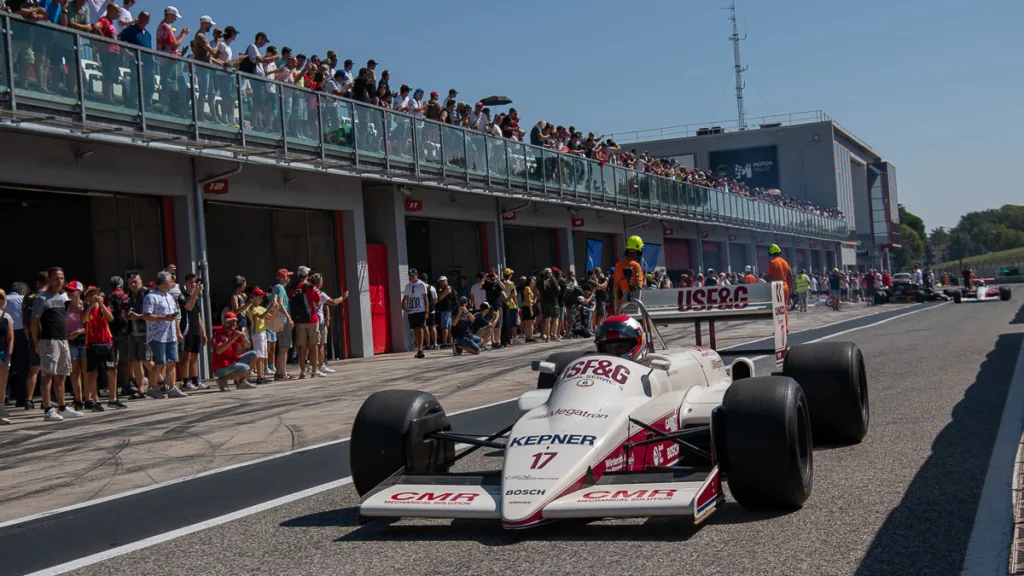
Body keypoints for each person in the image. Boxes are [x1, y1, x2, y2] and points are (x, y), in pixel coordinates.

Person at [32, 267, 83, 421]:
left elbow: (74, 311)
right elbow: (34, 322)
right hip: (48, 340)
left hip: (62, 339)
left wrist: (76, 297)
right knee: (48, 374)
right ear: (49, 279)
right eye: (56, 278)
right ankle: (48, 409)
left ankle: (62, 406)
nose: (59, 281)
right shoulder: (41, 298)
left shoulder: (63, 297)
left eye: (61, 278)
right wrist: (35, 341)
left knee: (62, 374)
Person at [141, 271, 185, 398]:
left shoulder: (170, 297)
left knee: (172, 361)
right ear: (164, 283)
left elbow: (175, 315)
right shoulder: (151, 296)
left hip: (171, 334)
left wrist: (178, 331)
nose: (171, 283)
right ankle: (153, 387)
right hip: (157, 335)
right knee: (160, 362)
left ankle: (172, 388)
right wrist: (163, 318)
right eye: (170, 281)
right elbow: (146, 315)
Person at [83, 286, 126, 410]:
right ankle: (96, 401)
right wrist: (91, 306)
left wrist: (101, 304)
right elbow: (83, 320)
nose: (93, 297)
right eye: (90, 295)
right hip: (92, 346)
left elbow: (111, 318)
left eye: (95, 294)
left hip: (106, 344)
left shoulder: (104, 308)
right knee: (92, 374)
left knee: (112, 371)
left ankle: (113, 398)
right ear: (86, 298)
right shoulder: (86, 310)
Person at [210, 312, 257, 391]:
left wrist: (244, 338)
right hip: (221, 366)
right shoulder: (218, 335)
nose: (232, 324)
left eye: (234, 321)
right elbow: (218, 351)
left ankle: (242, 382)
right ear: (224, 322)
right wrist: (232, 339)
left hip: (233, 361)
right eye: (229, 321)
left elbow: (248, 346)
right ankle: (222, 379)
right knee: (246, 368)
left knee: (254, 355)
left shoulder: (235, 333)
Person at [246, 287, 275, 384]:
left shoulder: (261, 308)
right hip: (257, 333)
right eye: (259, 297)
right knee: (259, 356)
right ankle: (259, 376)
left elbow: (270, 317)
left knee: (263, 356)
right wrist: (269, 309)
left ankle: (262, 375)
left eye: (262, 297)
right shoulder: (252, 308)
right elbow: (261, 316)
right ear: (254, 297)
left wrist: (274, 308)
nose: (261, 299)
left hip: (262, 332)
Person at [271, 269, 294, 381]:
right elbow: (280, 303)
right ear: (281, 277)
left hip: (280, 322)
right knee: (284, 348)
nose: (288, 278)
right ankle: (282, 372)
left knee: (282, 347)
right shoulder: (280, 288)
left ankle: (279, 371)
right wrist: (289, 318)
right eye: (286, 276)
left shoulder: (276, 288)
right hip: (283, 322)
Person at [613, 235, 646, 309]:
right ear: (638, 251)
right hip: (635, 302)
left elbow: (615, 287)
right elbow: (638, 286)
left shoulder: (618, 265)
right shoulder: (636, 266)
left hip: (622, 303)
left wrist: (616, 306)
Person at [402, 268, 429, 358]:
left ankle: (420, 349)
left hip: (420, 310)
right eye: (410, 275)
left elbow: (425, 298)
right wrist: (403, 306)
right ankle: (418, 349)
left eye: (413, 275)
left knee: (420, 329)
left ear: (417, 274)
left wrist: (426, 311)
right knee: (415, 330)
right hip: (411, 311)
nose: (411, 277)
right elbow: (405, 297)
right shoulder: (408, 286)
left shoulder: (421, 284)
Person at [766, 244, 793, 332]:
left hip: (777, 287)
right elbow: (791, 275)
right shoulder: (785, 262)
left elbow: (770, 277)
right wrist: (790, 287)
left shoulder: (772, 263)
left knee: (778, 309)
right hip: (785, 286)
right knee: (784, 308)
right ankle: (786, 327)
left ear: (771, 253)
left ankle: (780, 328)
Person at [0, 290, 13, 424]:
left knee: (2, 383)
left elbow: (10, 339)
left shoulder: (6, 317)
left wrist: (8, 356)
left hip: (2, 353)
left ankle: (1, 406)